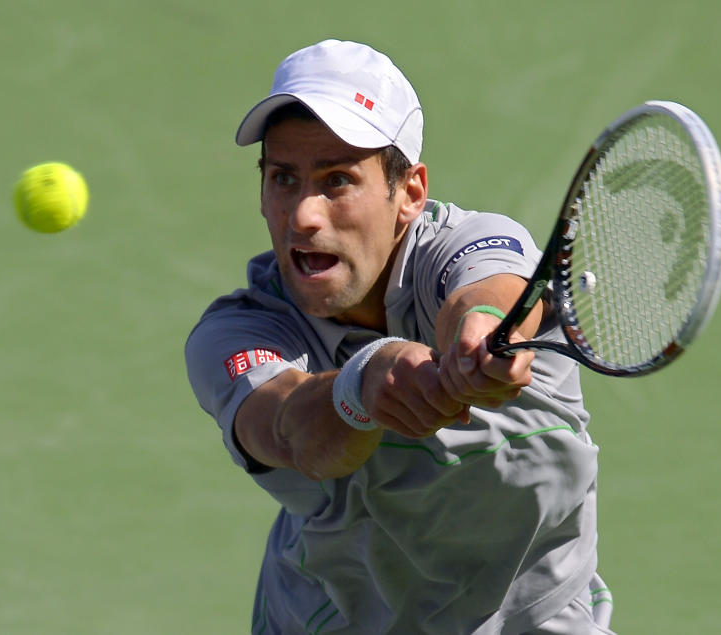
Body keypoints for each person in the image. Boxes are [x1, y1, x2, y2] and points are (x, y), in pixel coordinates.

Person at [185, 39, 614, 635]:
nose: (304, 215)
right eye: (283, 178)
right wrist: (361, 387)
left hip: (532, 618)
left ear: (410, 193)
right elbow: (287, 426)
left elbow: (488, 288)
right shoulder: (236, 331)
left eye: (337, 180)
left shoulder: (468, 245)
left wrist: (477, 337)